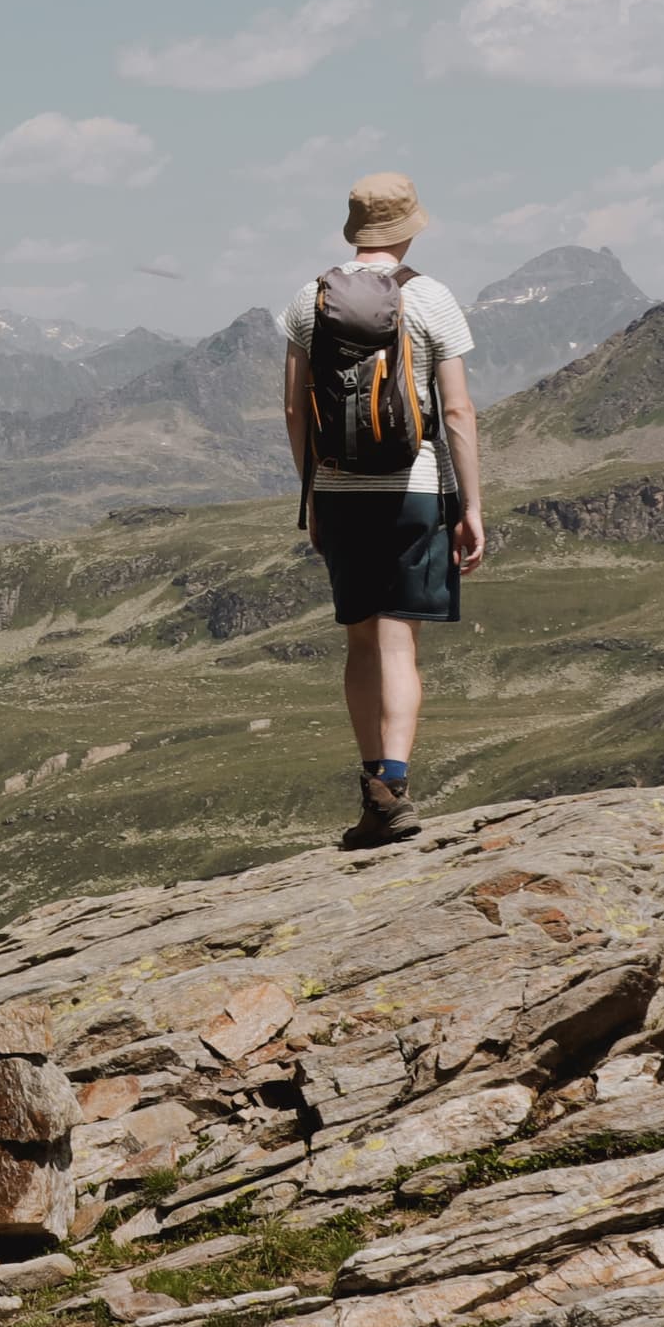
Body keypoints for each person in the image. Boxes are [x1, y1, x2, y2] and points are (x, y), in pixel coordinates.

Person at [281, 171, 485, 847]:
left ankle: (373, 792)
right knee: (400, 643)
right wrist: (470, 504)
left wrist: (312, 494)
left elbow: (293, 408)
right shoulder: (430, 298)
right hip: (414, 488)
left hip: (338, 493)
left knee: (361, 641)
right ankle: (392, 788)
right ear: (408, 227)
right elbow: (455, 410)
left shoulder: (308, 302)